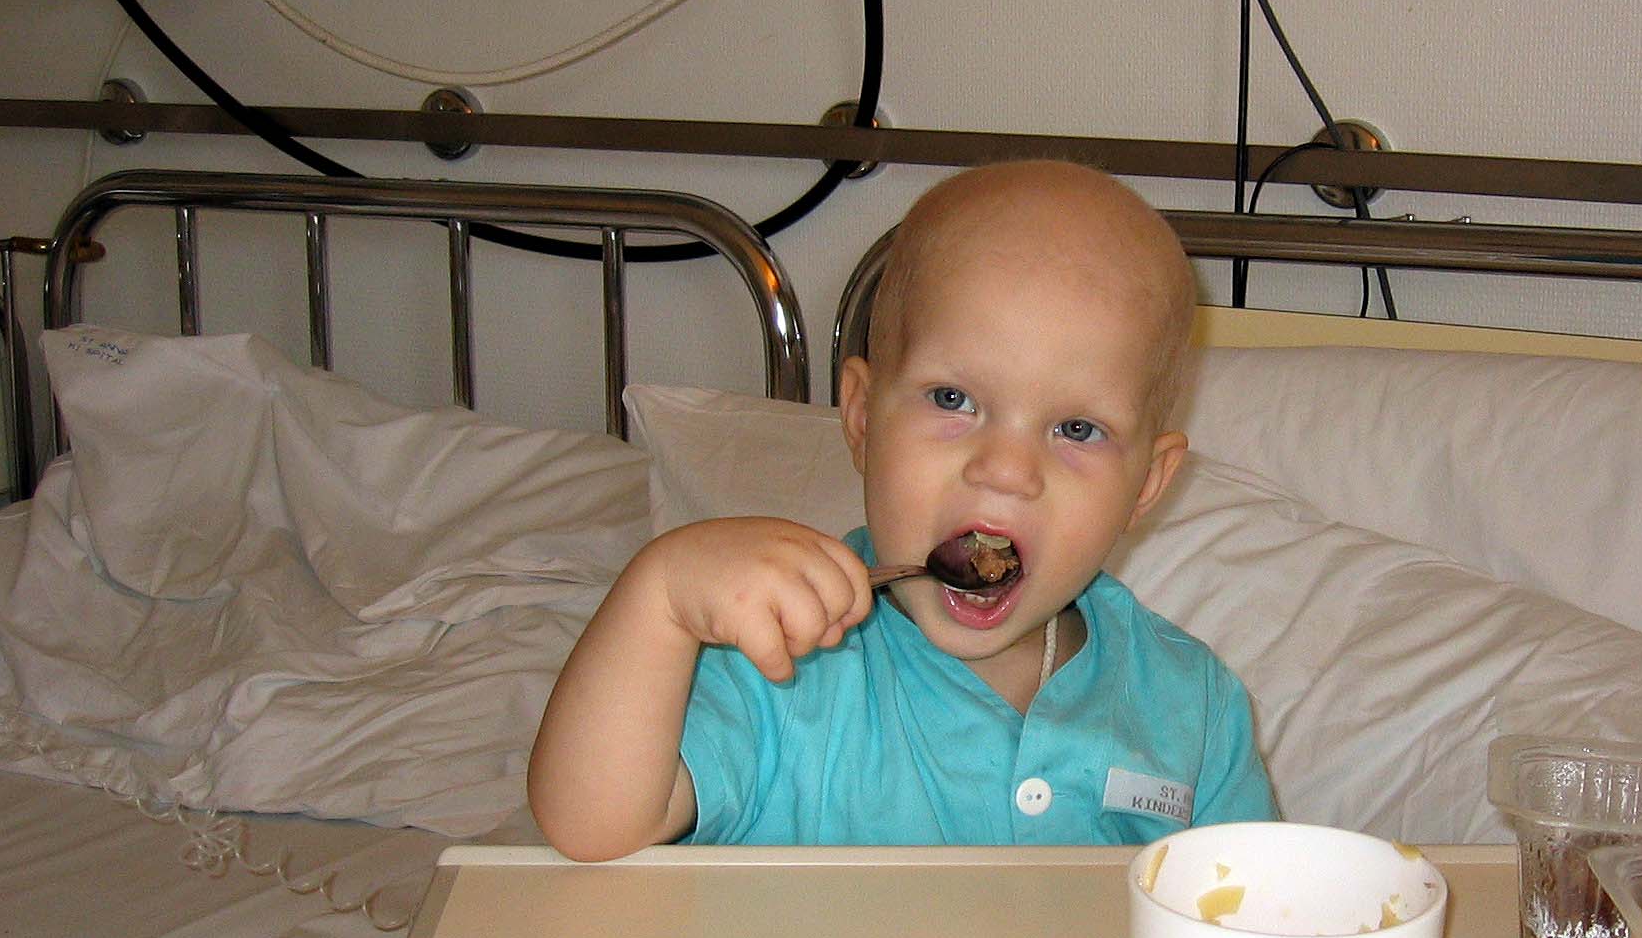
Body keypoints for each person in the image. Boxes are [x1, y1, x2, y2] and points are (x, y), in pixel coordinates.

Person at [528, 160, 1277, 859]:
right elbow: (592, 825)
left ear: (1146, 484)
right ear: (861, 417)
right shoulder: (775, 648)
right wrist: (660, 599)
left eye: (1076, 430)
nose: (1006, 471)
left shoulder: (1192, 707)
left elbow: (1257, 913)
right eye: (953, 399)